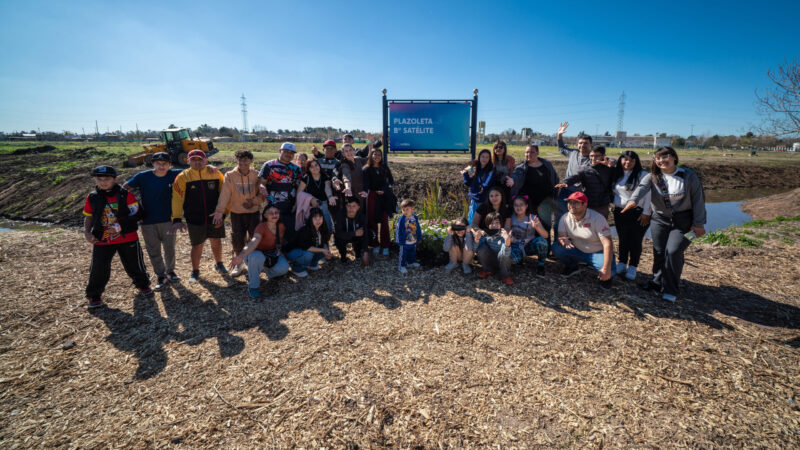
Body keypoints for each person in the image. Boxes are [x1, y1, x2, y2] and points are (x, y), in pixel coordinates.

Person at [622, 146, 706, 302]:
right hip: (660, 219)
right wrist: (632, 201)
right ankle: (656, 282)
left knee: (673, 252)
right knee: (659, 252)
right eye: (658, 158)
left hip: (683, 222)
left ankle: (670, 288)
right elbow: (641, 189)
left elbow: (698, 201)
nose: (662, 160)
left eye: (665, 156)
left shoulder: (688, 176)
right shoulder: (653, 176)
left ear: (674, 157)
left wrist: (699, 224)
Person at [83, 165, 151, 308]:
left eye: (107, 179)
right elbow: (88, 217)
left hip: (128, 236)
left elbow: (138, 213)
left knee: (134, 264)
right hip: (102, 238)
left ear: (115, 179)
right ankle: (94, 296)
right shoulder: (92, 197)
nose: (103, 182)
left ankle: (143, 285)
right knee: (98, 268)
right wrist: (87, 232)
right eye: (99, 179)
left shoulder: (125, 194)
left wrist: (120, 226)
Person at [123, 152, 182, 290]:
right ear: (153, 163)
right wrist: (133, 207)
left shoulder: (175, 174)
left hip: (168, 219)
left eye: (164, 163)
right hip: (147, 220)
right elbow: (124, 188)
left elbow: (194, 168)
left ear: (169, 165)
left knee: (170, 248)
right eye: (158, 163)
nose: (161, 166)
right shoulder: (143, 177)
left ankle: (170, 271)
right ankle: (161, 275)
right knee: (153, 250)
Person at [170, 150, 227, 283]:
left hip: (215, 216)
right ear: (188, 161)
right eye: (193, 160)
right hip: (194, 217)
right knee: (197, 245)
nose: (197, 162)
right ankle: (195, 271)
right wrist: (177, 218)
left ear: (206, 160)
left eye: (200, 159)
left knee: (216, 241)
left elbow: (225, 194)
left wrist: (223, 214)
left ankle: (219, 263)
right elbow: (177, 199)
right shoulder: (183, 177)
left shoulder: (216, 173)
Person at [211, 149, 263, 278]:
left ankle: (254, 263)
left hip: (253, 212)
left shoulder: (257, 174)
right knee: (237, 239)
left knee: (255, 238)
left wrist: (254, 202)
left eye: (246, 160)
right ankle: (239, 264)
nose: (243, 163)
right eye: (240, 160)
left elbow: (262, 194)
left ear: (251, 160)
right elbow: (225, 194)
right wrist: (219, 211)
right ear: (237, 160)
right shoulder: (230, 175)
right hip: (237, 213)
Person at [552, 192, 615, 289]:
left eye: (575, 203)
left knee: (611, 272)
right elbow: (561, 236)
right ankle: (572, 266)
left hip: (597, 253)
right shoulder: (565, 217)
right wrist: (564, 240)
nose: (571, 205)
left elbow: (608, 244)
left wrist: (606, 269)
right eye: (570, 202)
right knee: (557, 248)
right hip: (577, 249)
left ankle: (605, 278)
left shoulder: (597, 218)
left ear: (584, 204)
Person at [230, 204, 291, 298]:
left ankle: (258, 271)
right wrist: (240, 256)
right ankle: (253, 286)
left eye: (276, 212)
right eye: (271, 213)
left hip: (271, 255)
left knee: (284, 268)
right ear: (265, 215)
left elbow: (281, 243)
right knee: (257, 256)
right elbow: (254, 241)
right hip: (254, 254)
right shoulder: (261, 227)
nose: (274, 215)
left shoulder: (281, 226)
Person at [611, 151, 651, 281]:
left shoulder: (643, 175)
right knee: (623, 238)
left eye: (632, 160)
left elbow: (648, 195)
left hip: (638, 213)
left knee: (635, 240)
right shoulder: (617, 173)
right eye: (625, 159)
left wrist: (646, 212)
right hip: (620, 212)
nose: (628, 162)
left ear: (636, 162)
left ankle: (633, 266)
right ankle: (622, 263)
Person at [510, 144, 560, 237]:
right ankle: (533, 246)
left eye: (532, 152)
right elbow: (516, 176)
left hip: (546, 203)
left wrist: (555, 193)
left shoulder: (546, 164)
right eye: (527, 152)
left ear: (537, 153)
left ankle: (546, 248)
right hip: (530, 204)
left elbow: (555, 179)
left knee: (546, 227)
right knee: (533, 227)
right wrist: (512, 180)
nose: (529, 154)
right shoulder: (522, 167)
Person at [555, 145, 614, 219]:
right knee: (587, 225)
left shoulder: (609, 168)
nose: (593, 158)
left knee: (601, 226)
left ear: (603, 156)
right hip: (588, 204)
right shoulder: (584, 168)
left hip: (603, 204)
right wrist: (566, 182)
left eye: (597, 156)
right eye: (591, 156)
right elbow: (575, 176)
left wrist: (612, 164)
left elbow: (618, 172)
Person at [258, 142, 302, 236]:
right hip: (272, 205)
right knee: (271, 231)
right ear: (280, 151)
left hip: (289, 206)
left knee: (288, 231)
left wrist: (296, 203)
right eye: (286, 151)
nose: (289, 154)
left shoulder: (296, 169)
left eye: (291, 153)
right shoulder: (269, 165)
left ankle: (285, 250)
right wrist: (262, 188)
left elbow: (299, 188)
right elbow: (262, 182)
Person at [363, 148, 395, 255]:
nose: (377, 156)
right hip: (372, 196)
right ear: (371, 156)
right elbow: (366, 184)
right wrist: (367, 192)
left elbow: (391, 181)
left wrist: (384, 190)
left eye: (379, 155)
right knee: (372, 221)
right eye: (374, 154)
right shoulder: (366, 169)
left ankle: (385, 245)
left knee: (384, 221)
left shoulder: (384, 167)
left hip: (384, 196)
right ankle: (374, 244)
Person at [284, 207, 333, 277]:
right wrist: (323, 250)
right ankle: (297, 269)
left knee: (323, 250)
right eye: (315, 218)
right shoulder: (305, 230)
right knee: (308, 254)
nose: (318, 221)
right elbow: (306, 247)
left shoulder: (322, 229)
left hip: (305, 251)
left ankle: (312, 264)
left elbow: (324, 242)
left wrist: (326, 252)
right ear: (311, 219)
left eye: (320, 218)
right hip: (293, 252)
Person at [509, 195, 549, 276]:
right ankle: (519, 259)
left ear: (526, 206)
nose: (518, 207)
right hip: (515, 245)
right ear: (513, 206)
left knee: (542, 242)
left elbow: (546, 236)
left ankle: (541, 266)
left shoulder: (533, 218)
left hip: (528, 245)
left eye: (521, 205)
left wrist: (537, 227)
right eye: (516, 205)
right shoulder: (510, 217)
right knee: (513, 260)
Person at [473, 212, 514, 285]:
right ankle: (488, 270)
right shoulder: (485, 234)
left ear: (501, 224)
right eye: (491, 223)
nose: (494, 225)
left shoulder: (504, 235)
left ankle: (505, 275)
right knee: (482, 248)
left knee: (503, 255)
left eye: (497, 222)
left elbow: (506, 254)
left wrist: (507, 241)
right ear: (487, 225)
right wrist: (476, 240)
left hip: (503, 261)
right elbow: (475, 250)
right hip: (490, 260)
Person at [298, 159, 336, 231]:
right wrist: (297, 204)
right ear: (308, 169)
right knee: (311, 224)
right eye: (311, 166)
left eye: (316, 165)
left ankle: (327, 237)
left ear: (319, 165)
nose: (315, 168)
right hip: (310, 205)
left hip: (323, 203)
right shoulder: (307, 178)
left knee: (327, 222)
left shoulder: (325, 176)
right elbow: (299, 192)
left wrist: (330, 197)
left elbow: (327, 188)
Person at [334, 196, 370, 265]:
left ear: (358, 207)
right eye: (349, 206)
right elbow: (338, 233)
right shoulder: (340, 215)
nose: (351, 208)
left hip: (356, 236)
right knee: (338, 238)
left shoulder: (362, 217)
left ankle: (358, 253)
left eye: (354, 206)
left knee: (370, 234)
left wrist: (366, 252)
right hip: (344, 236)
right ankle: (343, 257)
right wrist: (354, 233)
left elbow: (365, 234)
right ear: (346, 206)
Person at [462, 149, 495, 225]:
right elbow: (469, 183)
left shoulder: (491, 169)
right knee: (471, 220)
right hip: (474, 199)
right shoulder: (476, 168)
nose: (484, 159)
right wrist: (465, 175)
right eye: (482, 156)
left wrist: (482, 187)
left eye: (487, 157)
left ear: (490, 159)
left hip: (483, 200)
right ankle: (471, 235)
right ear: (479, 157)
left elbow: (487, 182)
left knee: (482, 221)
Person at [395, 199, 422, 274]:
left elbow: (418, 228)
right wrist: (399, 240)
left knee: (412, 253)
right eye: (403, 210)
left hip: (413, 240)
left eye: (407, 209)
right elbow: (398, 230)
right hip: (404, 241)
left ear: (412, 209)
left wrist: (419, 237)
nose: (405, 212)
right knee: (403, 254)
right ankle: (401, 266)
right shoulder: (401, 220)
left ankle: (410, 263)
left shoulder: (415, 218)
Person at [340, 143, 369, 210]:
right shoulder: (344, 164)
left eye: (350, 150)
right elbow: (346, 176)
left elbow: (369, 159)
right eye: (346, 151)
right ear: (343, 154)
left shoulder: (358, 159)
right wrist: (348, 188)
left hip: (362, 194)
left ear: (354, 151)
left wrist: (370, 142)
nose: (349, 152)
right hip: (351, 197)